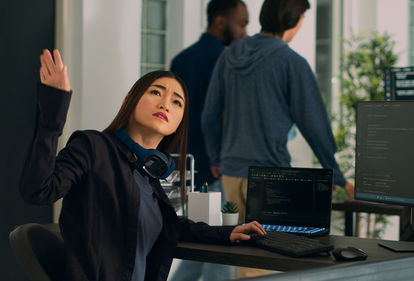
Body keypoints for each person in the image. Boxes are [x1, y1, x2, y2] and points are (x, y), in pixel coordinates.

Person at [19, 49, 266, 281]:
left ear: (180, 122)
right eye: (156, 92)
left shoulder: (149, 175)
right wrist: (52, 114)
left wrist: (228, 232)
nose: (165, 104)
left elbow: (172, 225)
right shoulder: (93, 147)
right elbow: (38, 190)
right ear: (130, 99)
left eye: (177, 102)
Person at [201, 0, 354, 226]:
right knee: (269, 255)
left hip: (231, 173)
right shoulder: (291, 62)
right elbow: (314, 125)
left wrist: (215, 157)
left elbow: (210, 115)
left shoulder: (230, 54)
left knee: (240, 251)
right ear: (295, 19)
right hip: (270, 178)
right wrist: (338, 176)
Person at [169, 0, 248, 280]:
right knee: (221, 253)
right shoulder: (224, 59)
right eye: (241, 24)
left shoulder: (181, 59)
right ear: (220, 22)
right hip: (214, 168)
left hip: (185, 168)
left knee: (199, 249)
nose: (244, 32)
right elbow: (221, 114)